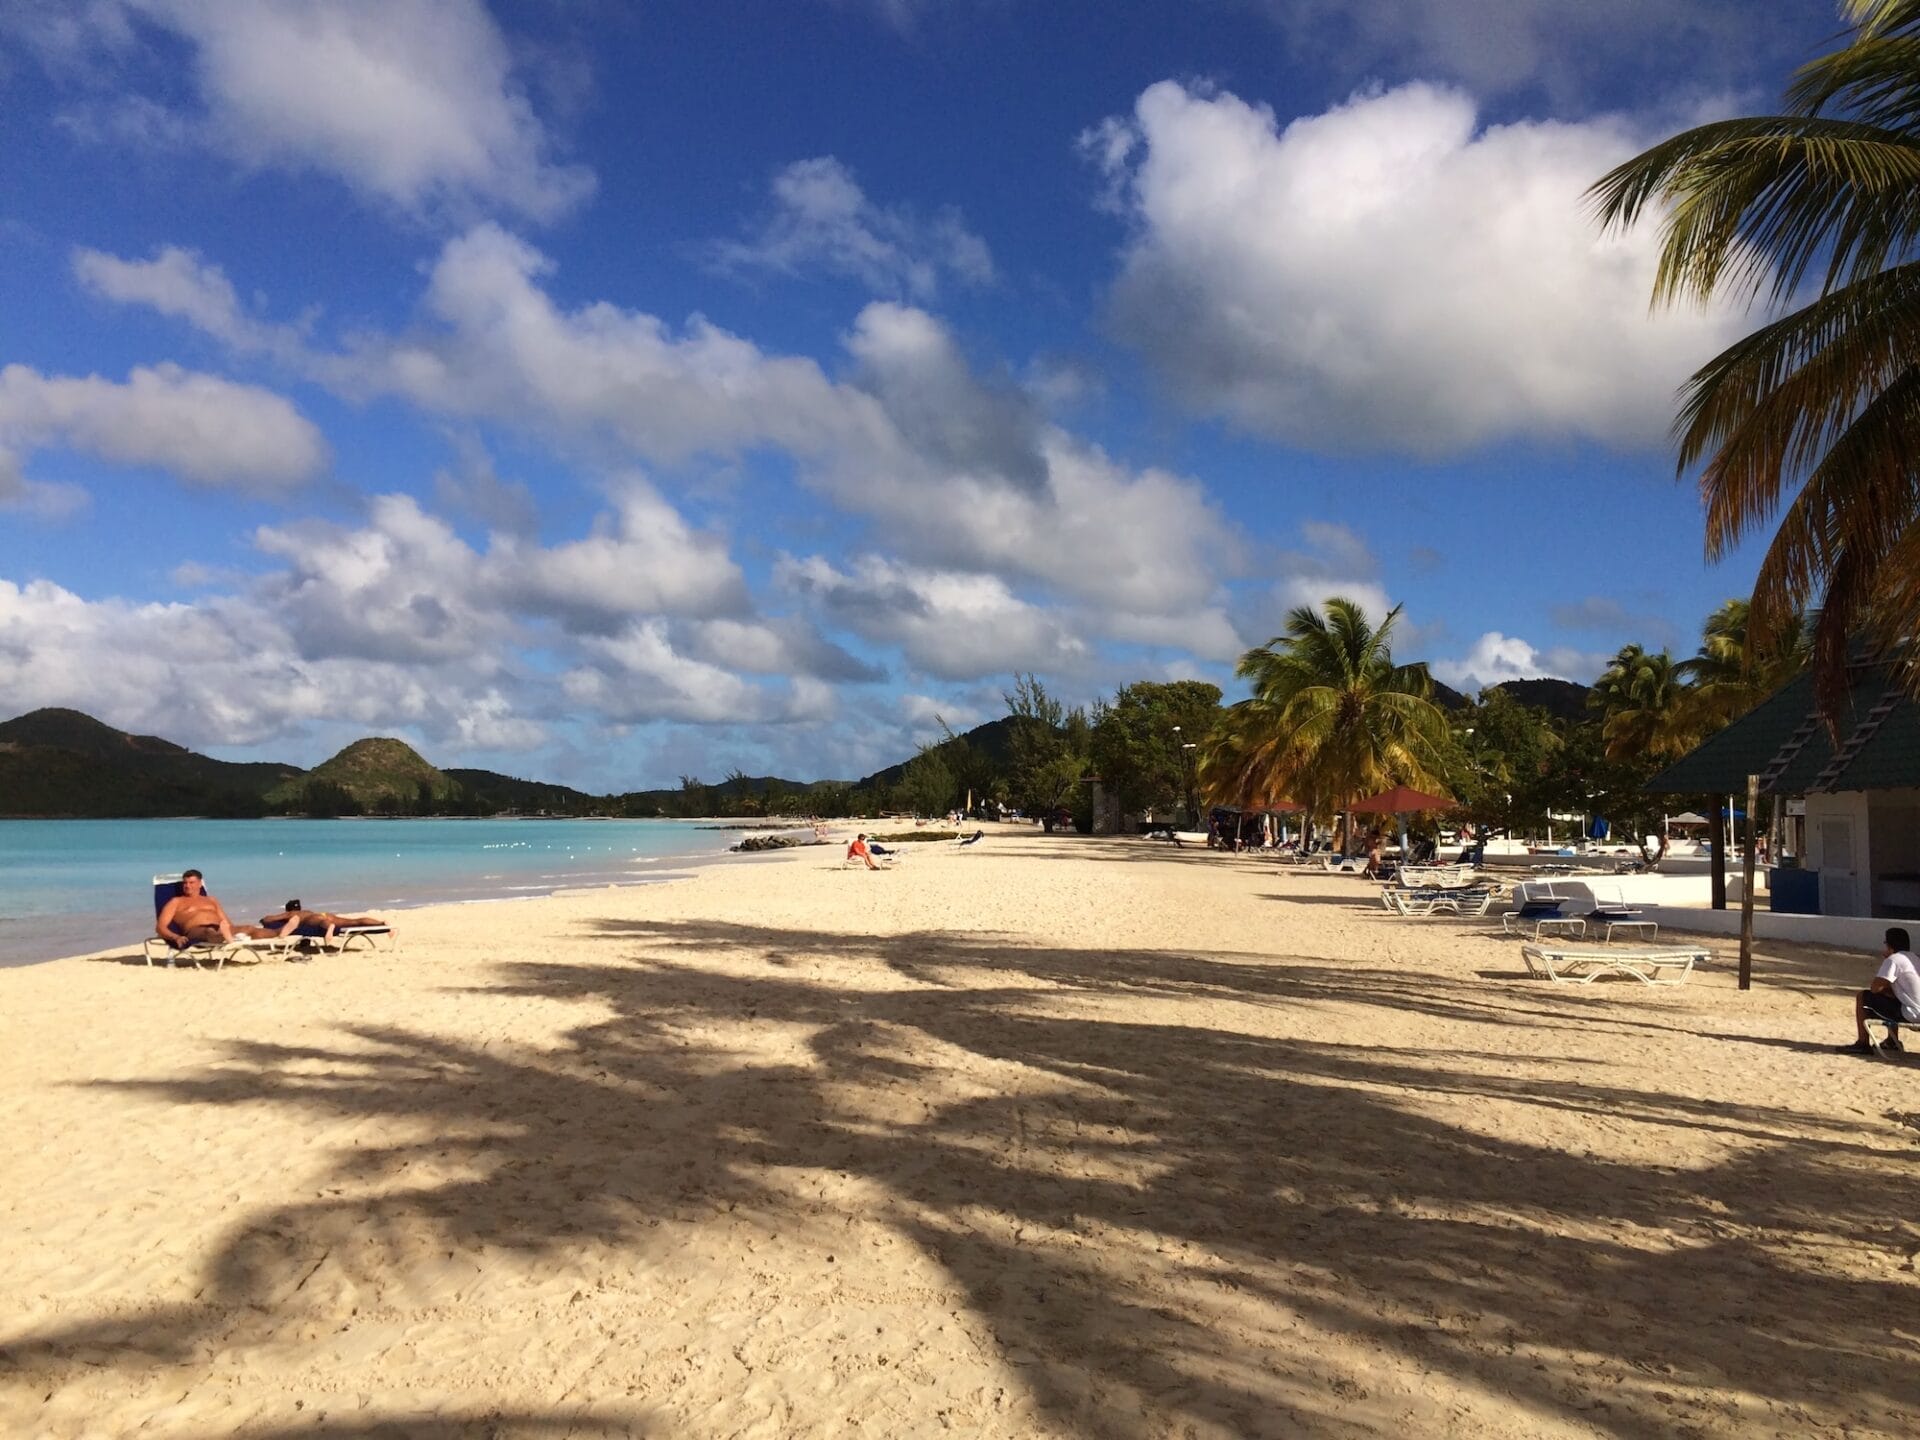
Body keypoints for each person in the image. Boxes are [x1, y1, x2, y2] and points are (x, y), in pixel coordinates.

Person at [1840, 926, 1920, 1055]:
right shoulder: (1915, 958)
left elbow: (1875, 988)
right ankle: (1891, 1041)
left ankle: (1863, 1043)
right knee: (1892, 997)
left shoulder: (1894, 960)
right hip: (1916, 1010)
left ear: (1889, 945)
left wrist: (1887, 962)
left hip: (1912, 1014)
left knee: (1863, 997)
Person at [155, 869, 239, 950]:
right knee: (209, 931)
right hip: (196, 931)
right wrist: (176, 937)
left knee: (250, 929)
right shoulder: (176, 902)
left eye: (191, 882)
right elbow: (160, 927)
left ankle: (227, 936)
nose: (187, 886)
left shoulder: (211, 900)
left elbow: (226, 922)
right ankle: (227, 938)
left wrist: (233, 929)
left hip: (220, 928)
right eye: (185, 883)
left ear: (200, 884)